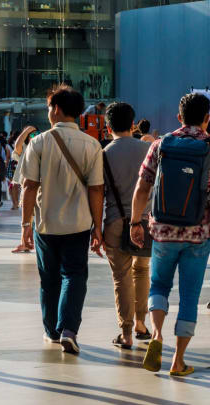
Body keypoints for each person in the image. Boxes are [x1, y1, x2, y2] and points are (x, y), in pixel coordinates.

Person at [20, 84, 104, 355]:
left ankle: (52, 332)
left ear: (55, 109)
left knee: (49, 279)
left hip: (45, 224)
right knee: (75, 274)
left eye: (48, 108)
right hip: (79, 224)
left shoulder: (39, 142)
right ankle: (69, 329)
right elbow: (96, 190)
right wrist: (98, 227)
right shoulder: (92, 145)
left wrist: (24, 225)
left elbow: (29, 186)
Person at [131, 92, 210, 377]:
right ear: (207, 119)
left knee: (158, 286)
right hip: (198, 235)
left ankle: (156, 334)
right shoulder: (209, 147)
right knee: (189, 296)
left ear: (179, 117)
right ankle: (178, 361)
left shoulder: (160, 144)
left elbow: (142, 188)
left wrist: (134, 223)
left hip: (162, 230)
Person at [102, 102, 152, 350]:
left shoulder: (104, 154)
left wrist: (95, 228)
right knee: (142, 270)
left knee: (121, 277)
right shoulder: (149, 149)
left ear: (107, 125)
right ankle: (142, 323)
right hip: (144, 220)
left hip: (115, 221)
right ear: (133, 125)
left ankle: (126, 332)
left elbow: (98, 192)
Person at [9, 126, 37, 254]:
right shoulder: (25, 149)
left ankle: (26, 242)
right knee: (28, 214)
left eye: (35, 134)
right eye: (29, 135)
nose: (32, 136)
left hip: (36, 185)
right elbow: (17, 146)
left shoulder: (41, 147)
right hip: (27, 184)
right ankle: (27, 242)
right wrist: (25, 132)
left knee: (29, 214)